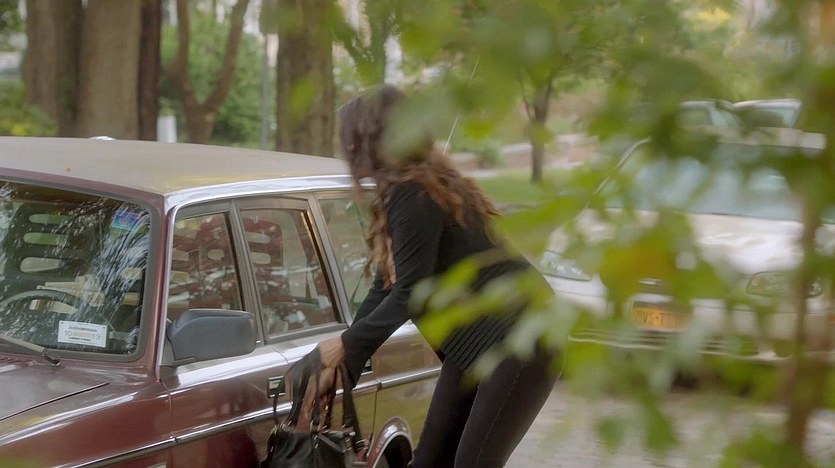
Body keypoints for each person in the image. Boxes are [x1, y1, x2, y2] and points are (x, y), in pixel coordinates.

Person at [315, 84, 558, 468]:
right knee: (429, 459)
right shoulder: (411, 188)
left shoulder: (414, 193)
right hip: (476, 342)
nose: (347, 151)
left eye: (351, 140)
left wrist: (344, 344)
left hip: (523, 337)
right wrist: (344, 365)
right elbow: (386, 287)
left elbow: (409, 293)